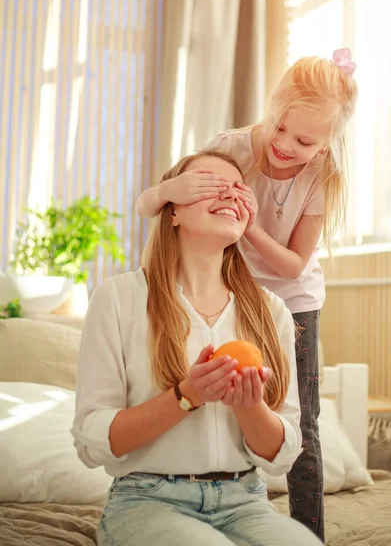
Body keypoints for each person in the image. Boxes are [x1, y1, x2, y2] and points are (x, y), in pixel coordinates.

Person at [135, 49, 359, 542]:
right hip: (230, 285)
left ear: (324, 146)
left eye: (302, 140)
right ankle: (190, 499)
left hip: (292, 296)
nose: (282, 144)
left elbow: (294, 265)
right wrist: (175, 187)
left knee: (303, 420)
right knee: (206, 387)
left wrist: (251, 228)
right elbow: (156, 204)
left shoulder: (321, 176)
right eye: (278, 127)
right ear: (272, 108)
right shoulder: (232, 148)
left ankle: (308, 531)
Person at [72, 149, 322, 546]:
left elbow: (283, 454)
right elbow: (92, 440)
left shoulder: (271, 310)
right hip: (147, 502)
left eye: (238, 189)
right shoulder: (118, 299)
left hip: (246, 502)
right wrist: (186, 397)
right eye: (207, 184)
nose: (227, 196)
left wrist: (249, 407)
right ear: (172, 211)